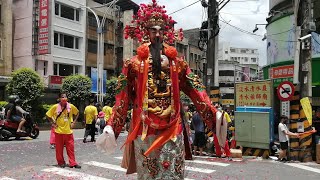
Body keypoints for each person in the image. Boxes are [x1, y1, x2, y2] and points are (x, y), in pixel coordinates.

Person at [104, 1, 226, 178]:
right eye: (153, 30)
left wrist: (212, 113)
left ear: (166, 33)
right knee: (148, 173)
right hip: (145, 127)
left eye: (161, 30)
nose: (158, 34)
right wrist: (112, 126)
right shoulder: (133, 64)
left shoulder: (178, 64)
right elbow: (122, 98)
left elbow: (195, 88)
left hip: (172, 126)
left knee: (172, 172)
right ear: (147, 32)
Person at [46, 92, 81, 169]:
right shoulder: (55, 107)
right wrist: (52, 123)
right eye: (62, 97)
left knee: (70, 148)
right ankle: (61, 162)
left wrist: (74, 122)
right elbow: (48, 115)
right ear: (59, 99)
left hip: (69, 131)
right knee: (59, 149)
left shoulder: (71, 106)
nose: (64, 98)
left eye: (65, 97)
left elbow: (77, 113)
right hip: (58, 131)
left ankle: (73, 163)